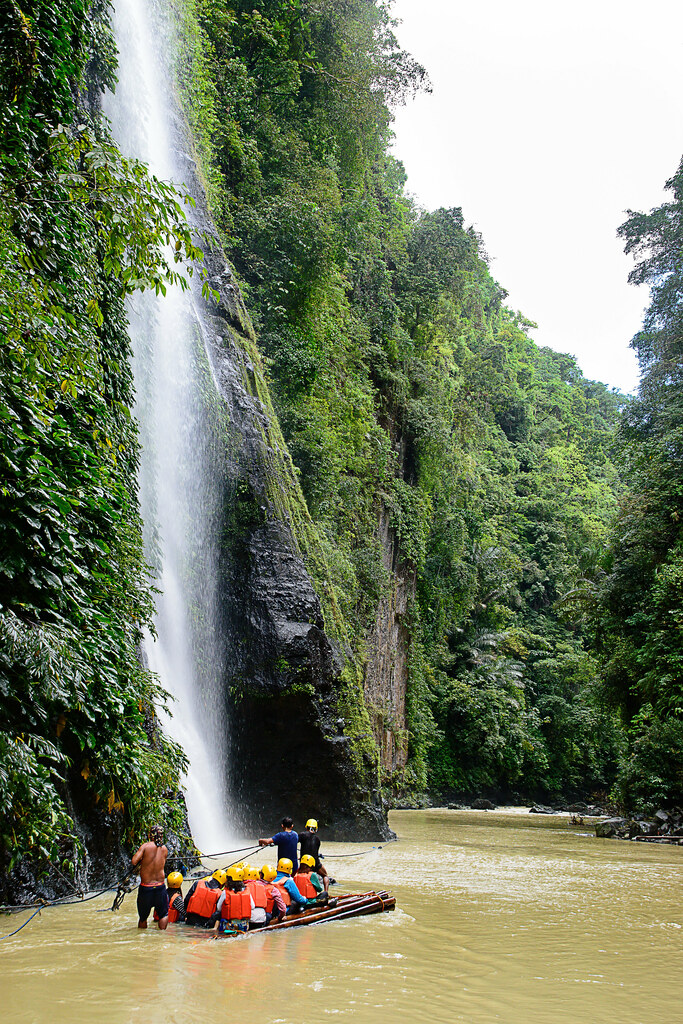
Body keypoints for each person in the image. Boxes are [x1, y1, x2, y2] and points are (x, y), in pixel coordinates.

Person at [132, 824, 169, 930]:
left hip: (146, 887)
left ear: (150, 835)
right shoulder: (164, 849)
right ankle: (162, 937)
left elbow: (134, 861)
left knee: (143, 917)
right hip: (160, 887)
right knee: (163, 914)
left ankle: (142, 938)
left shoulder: (145, 847)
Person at [214, 865, 252, 934]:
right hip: (244, 926)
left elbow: (218, 908)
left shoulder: (225, 892)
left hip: (229, 926)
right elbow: (253, 906)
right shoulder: (247, 891)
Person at [298, 817, 331, 893]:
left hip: (304, 862)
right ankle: (326, 892)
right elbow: (313, 851)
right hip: (315, 862)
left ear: (306, 827)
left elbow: (294, 841)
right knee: (325, 875)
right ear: (316, 829)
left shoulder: (302, 835)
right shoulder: (317, 840)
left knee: (296, 875)